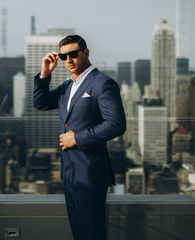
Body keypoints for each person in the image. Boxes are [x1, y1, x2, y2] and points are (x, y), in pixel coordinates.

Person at [33, 35, 126, 239]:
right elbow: (41, 103)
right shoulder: (68, 86)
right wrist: (45, 73)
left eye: (73, 54)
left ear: (86, 53)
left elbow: (116, 125)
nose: (68, 60)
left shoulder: (103, 83)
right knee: (79, 234)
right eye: (64, 56)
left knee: (92, 235)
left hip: (91, 174)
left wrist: (78, 138)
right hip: (70, 174)